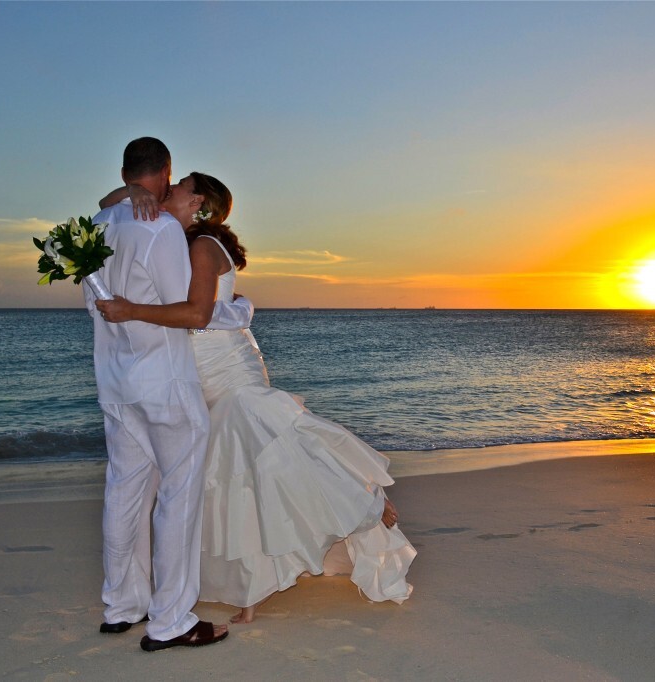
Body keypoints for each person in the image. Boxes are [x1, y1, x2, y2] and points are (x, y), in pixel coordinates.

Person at [96, 172, 416, 624]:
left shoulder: (202, 247)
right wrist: (131, 191)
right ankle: (253, 587)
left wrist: (129, 310)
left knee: (271, 459)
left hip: (227, 374)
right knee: (238, 481)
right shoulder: (184, 241)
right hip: (204, 373)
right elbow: (107, 207)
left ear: (201, 204)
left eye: (181, 185)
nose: (170, 190)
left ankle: (364, 504)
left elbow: (196, 314)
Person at [84, 138, 251, 652]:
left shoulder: (99, 223)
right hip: (162, 382)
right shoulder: (161, 232)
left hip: (114, 379)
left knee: (125, 488)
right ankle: (170, 620)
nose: (177, 189)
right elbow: (193, 313)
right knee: (177, 497)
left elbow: (110, 204)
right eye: (175, 181)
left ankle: (122, 604)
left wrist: (130, 190)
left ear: (128, 174)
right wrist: (238, 312)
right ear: (165, 174)